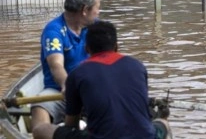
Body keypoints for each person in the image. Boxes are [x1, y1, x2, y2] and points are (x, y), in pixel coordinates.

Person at [32, 21, 172, 139]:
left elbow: (71, 125)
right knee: (163, 123)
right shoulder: (138, 66)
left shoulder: (77, 74)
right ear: (116, 46)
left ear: (87, 48)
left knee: (40, 129)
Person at [31, 0, 101, 132]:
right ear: (84, 10)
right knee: (39, 108)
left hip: (91, 89)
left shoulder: (97, 28)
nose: (98, 13)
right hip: (59, 91)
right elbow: (56, 65)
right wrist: (68, 85)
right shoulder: (54, 30)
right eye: (97, 9)